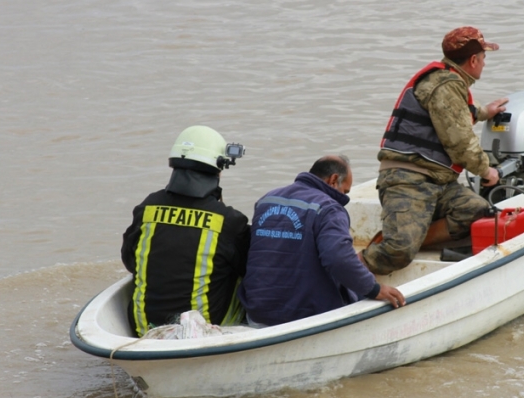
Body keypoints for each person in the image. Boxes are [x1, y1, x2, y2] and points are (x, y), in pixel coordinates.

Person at [360, 26, 509, 275]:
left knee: (476, 210)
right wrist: (487, 172)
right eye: (483, 58)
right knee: (399, 251)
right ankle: (343, 271)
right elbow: (461, 144)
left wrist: (485, 112)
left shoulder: (449, 82)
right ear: (473, 60)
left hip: (438, 182)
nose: (484, 63)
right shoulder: (445, 87)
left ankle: (412, 233)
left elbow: (456, 115)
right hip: (408, 180)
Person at [238, 155, 405, 327]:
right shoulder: (329, 209)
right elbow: (339, 259)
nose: (344, 198)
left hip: (258, 313)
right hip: (305, 316)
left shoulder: (267, 200)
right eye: (345, 192)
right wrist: (374, 289)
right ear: (333, 180)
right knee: (359, 289)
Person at [121, 125, 251, 337]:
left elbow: (130, 261)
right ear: (218, 168)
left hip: (142, 329)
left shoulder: (147, 207)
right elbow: (252, 271)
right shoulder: (229, 220)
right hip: (201, 335)